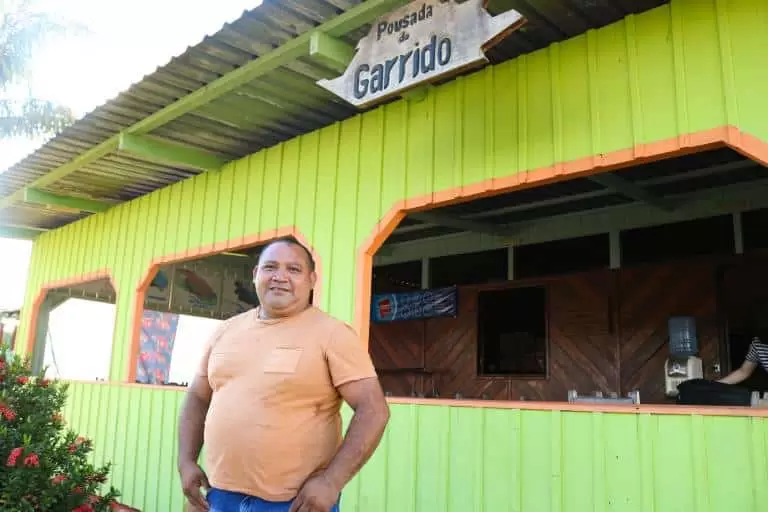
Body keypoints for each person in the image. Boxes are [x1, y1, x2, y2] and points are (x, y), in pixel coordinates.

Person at [177, 237, 390, 512]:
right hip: (218, 496)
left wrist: (331, 482)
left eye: (293, 269)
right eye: (271, 267)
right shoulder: (225, 331)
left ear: (311, 280)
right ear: (256, 274)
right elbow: (197, 396)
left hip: (294, 503)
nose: (280, 276)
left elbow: (373, 410)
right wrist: (186, 461)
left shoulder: (333, 334)